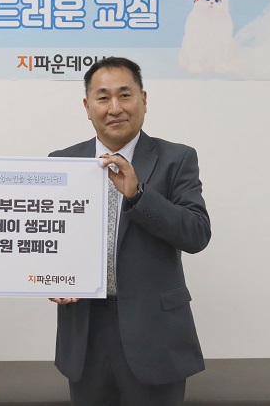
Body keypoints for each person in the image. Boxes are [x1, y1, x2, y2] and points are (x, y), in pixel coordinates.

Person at [49, 57, 211, 406]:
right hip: (85, 334)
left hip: (155, 335)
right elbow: (49, 239)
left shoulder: (176, 159)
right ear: (87, 107)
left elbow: (197, 233)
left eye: (125, 95)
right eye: (103, 97)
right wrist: (51, 279)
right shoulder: (62, 162)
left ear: (143, 99)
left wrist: (139, 195)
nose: (115, 108)